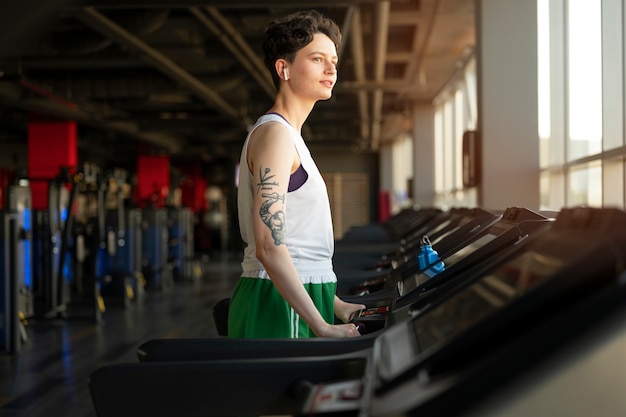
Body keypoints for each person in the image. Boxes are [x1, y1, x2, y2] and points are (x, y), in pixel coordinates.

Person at [228, 9, 366, 338]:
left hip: (297, 296)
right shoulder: (275, 136)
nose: (331, 68)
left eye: (333, 60)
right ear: (284, 68)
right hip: (278, 305)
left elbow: (299, 244)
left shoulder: (290, 137)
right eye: (318, 59)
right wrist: (320, 326)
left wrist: (335, 304)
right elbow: (269, 246)